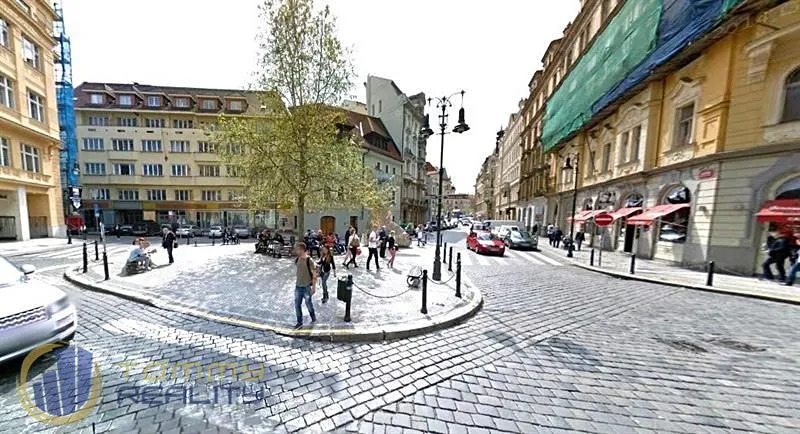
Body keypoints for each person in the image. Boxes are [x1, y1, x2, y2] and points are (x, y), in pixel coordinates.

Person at [293, 243, 317, 328]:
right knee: (297, 305)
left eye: (298, 249)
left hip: (306, 287)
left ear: (302, 250)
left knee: (308, 304)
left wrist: (313, 288)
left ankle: (313, 317)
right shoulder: (297, 259)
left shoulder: (309, 260)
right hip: (298, 286)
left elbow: (314, 275)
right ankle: (299, 322)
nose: (296, 251)